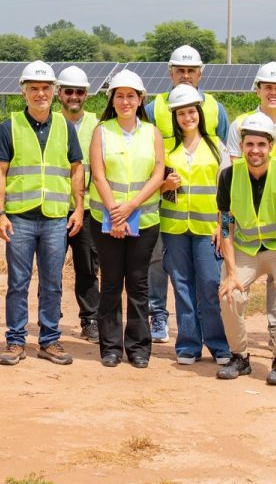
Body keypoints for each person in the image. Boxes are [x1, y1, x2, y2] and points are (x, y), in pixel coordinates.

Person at [0, 61, 83, 366]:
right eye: (34, 88)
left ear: (53, 91)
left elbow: (76, 168)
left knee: (52, 282)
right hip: (19, 218)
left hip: (55, 218)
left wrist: (79, 208)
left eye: (45, 88)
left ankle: (49, 340)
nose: (40, 93)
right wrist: (0, 213)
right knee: (18, 282)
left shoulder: (65, 127)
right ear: (24, 92)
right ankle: (16, 340)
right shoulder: (10, 126)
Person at [140, 45, 231, 343]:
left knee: (206, 279)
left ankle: (210, 337)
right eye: (180, 70)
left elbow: (226, 165)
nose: (186, 75)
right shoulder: (154, 108)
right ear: (170, 73)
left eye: (191, 70)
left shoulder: (216, 108)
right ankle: (158, 315)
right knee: (159, 264)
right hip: (165, 208)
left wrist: (224, 222)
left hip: (205, 218)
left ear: (200, 74)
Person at [215, 112, 276, 386]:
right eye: (249, 144)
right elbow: (225, 227)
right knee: (229, 294)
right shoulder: (228, 176)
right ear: (242, 146)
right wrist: (231, 273)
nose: (255, 150)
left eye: (261, 145)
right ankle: (240, 357)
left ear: (271, 146)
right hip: (245, 250)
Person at [87, 68, 166, 368]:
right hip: (106, 220)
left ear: (140, 99)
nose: (125, 101)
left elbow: (158, 173)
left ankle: (138, 347)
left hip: (143, 221)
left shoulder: (152, 133)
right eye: (119, 96)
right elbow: (98, 175)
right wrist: (116, 215)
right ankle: (110, 347)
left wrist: (131, 206)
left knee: (138, 284)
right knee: (110, 283)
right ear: (112, 100)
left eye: (130, 96)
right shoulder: (102, 131)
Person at [225, 61, 276, 340]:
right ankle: (239, 342)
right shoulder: (240, 124)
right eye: (268, 87)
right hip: (248, 217)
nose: (273, 92)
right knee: (235, 286)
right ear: (257, 89)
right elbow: (234, 171)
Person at [158, 84, 231, 367]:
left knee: (210, 286)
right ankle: (188, 345)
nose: (187, 118)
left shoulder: (217, 147)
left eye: (191, 112)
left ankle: (219, 344)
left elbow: (229, 194)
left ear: (199, 113)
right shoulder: (167, 148)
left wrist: (223, 229)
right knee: (182, 287)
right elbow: (155, 189)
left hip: (207, 230)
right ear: (174, 117)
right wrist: (165, 185)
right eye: (181, 114)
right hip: (174, 229)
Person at [57, 66, 101, 343]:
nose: (74, 96)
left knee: (87, 267)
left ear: (86, 95)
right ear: (59, 94)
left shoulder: (98, 125)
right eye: (69, 91)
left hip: (87, 210)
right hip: (55, 208)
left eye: (79, 92)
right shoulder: (50, 123)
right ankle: (50, 318)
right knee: (51, 268)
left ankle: (90, 319)